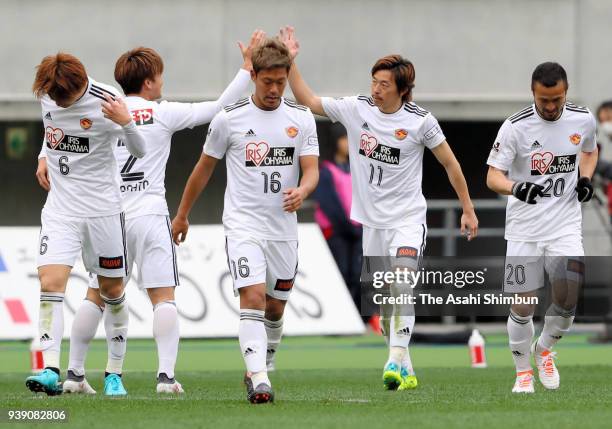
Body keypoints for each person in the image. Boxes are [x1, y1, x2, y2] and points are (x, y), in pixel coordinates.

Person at [36, 32, 266, 395]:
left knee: (96, 295)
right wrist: (245, 69)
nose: (163, 82)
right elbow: (219, 106)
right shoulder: (161, 111)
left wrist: (44, 156)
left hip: (110, 213)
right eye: (159, 76)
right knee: (163, 296)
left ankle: (74, 373)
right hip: (148, 214)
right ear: (148, 82)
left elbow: (58, 130)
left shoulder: (99, 105)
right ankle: (165, 377)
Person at [279, 26, 478, 391]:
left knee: (402, 284)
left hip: (407, 221)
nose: (376, 89)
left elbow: (451, 164)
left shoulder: (420, 121)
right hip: (372, 224)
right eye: (374, 81)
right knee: (386, 308)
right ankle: (405, 364)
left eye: (384, 84)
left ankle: (392, 360)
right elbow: (308, 100)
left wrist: (467, 208)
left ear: (403, 89)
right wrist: (291, 63)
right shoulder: (356, 110)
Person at [171, 38, 319, 404]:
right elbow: (203, 170)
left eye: (280, 82)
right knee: (252, 297)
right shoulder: (229, 119)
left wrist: (303, 190)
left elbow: (312, 171)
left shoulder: (301, 119)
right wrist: (182, 214)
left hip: (283, 230)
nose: (274, 89)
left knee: (275, 307)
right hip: (243, 226)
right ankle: (259, 377)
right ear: (253, 76)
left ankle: (263, 361)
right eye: (267, 81)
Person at [28, 52, 147, 396]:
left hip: (103, 212)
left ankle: (114, 373)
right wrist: (42, 155)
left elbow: (139, 150)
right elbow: (51, 128)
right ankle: (50, 368)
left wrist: (127, 122)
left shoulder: (108, 101)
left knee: (112, 291)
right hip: (61, 209)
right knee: (50, 282)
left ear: (79, 85)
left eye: (64, 98)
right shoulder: (47, 93)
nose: (57, 102)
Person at [486, 62, 598, 393]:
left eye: (557, 100)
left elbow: (589, 151)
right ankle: (523, 372)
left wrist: (586, 178)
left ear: (565, 93)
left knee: (567, 298)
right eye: (544, 99)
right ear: (533, 93)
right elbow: (492, 176)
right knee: (523, 304)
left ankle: (544, 349)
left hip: (565, 224)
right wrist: (516, 188)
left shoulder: (583, 118)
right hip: (524, 229)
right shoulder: (515, 127)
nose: (550, 107)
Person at [313, 125, 363, 311]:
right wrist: (348, 225)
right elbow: (329, 204)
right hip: (337, 233)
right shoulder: (326, 170)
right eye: (344, 139)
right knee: (339, 274)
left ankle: (357, 317)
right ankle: (338, 314)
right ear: (335, 142)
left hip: (358, 231)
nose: (348, 144)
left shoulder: (356, 169)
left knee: (357, 275)